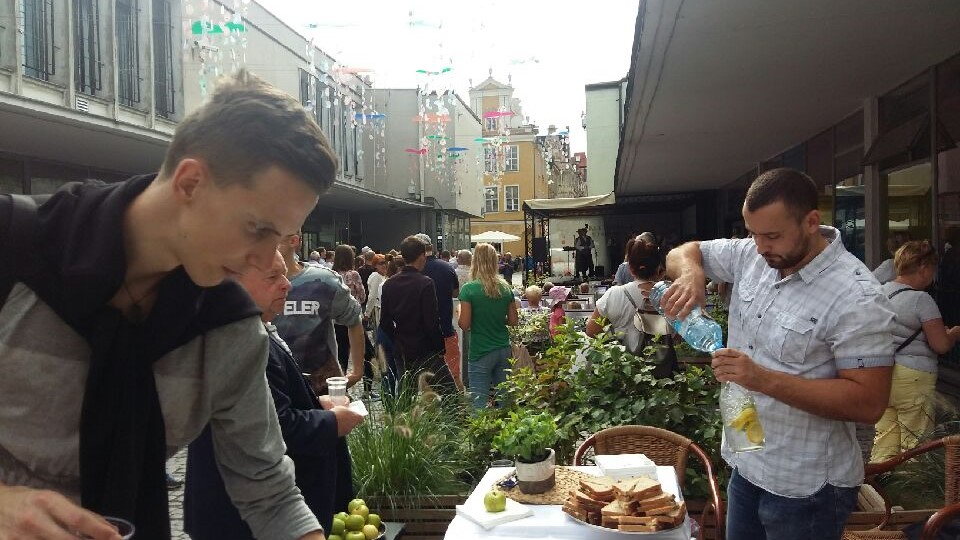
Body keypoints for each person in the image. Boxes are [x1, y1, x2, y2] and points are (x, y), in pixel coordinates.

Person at [0, 70, 336, 539]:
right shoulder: (15, 249)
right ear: (191, 182)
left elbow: (268, 492)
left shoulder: (229, 326)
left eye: (281, 238)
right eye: (258, 229)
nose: (268, 259)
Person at [661, 168, 895, 540]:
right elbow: (685, 251)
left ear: (811, 222)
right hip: (747, 463)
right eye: (753, 234)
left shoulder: (858, 297)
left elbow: (869, 402)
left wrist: (761, 378)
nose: (760, 246)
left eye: (771, 235)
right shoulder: (754, 256)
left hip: (808, 486)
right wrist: (691, 275)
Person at [185, 251, 364, 539]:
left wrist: (317, 404)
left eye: (284, 274)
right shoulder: (240, 342)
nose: (287, 284)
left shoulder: (254, 329)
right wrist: (332, 422)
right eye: (273, 277)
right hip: (244, 521)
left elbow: (266, 406)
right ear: (231, 283)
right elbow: (276, 426)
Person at [870, 241, 960, 462]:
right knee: (916, 441)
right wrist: (953, 333)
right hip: (915, 377)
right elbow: (940, 344)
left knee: (884, 438)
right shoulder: (921, 300)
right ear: (923, 268)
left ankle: (880, 487)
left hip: (884, 374)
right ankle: (910, 489)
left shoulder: (880, 293)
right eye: (932, 269)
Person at [275, 234, 365, 393]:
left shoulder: (324, 281)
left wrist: (357, 372)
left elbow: (353, 318)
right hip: (271, 388)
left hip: (319, 388)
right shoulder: (250, 283)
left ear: (293, 241)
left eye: (272, 236)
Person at [380, 236, 454, 390]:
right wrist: (440, 348)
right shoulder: (425, 283)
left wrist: (397, 339)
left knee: (407, 395)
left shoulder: (389, 284)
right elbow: (431, 321)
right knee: (449, 392)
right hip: (425, 348)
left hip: (402, 348)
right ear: (421, 256)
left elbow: (385, 322)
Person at [458, 243, 519, 409]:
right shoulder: (505, 288)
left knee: (479, 402)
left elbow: (464, 324)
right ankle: (506, 433)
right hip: (503, 347)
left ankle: (481, 434)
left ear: (475, 261)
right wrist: (498, 319)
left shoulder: (468, 289)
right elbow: (514, 321)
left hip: (480, 350)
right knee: (504, 400)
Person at [587, 239, 672, 356]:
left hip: (624, 367)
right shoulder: (671, 295)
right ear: (659, 269)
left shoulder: (613, 294)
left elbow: (592, 331)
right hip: (663, 366)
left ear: (631, 269)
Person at [415, 233, 462, 390]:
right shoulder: (446, 267)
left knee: (426, 383)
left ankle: (431, 414)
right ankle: (459, 413)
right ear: (431, 247)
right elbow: (455, 293)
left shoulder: (413, 271)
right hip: (445, 330)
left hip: (420, 336)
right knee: (454, 377)